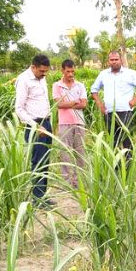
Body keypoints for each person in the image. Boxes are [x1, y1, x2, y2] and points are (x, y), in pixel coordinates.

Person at [90, 51, 136, 162]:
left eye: (116, 59)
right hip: (109, 114)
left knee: (126, 140)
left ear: (121, 60)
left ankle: (128, 166)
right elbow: (93, 90)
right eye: (111, 60)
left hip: (125, 113)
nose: (114, 62)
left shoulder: (130, 73)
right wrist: (100, 105)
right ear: (108, 61)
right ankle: (115, 166)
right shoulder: (103, 74)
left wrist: (135, 99)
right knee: (112, 141)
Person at [15, 54, 55, 207]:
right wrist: (35, 126)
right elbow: (19, 109)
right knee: (37, 162)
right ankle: (37, 199)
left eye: (46, 71)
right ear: (33, 67)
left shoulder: (41, 78)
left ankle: (42, 196)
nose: (44, 74)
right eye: (41, 71)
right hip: (35, 127)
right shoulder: (24, 80)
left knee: (45, 161)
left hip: (46, 123)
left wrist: (48, 123)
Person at [52, 59, 87, 189]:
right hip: (64, 123)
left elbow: (84, 104)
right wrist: (74, 102)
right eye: (68, 71)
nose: (71, 74)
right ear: (62, 71)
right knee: (65, 153)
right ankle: (67, 182)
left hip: (79, 123)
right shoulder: (57, 86)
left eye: (73, 71)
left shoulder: (80, 85)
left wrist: (68, 103)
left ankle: (78, 182)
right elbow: (59, 105)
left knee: (80, 152)